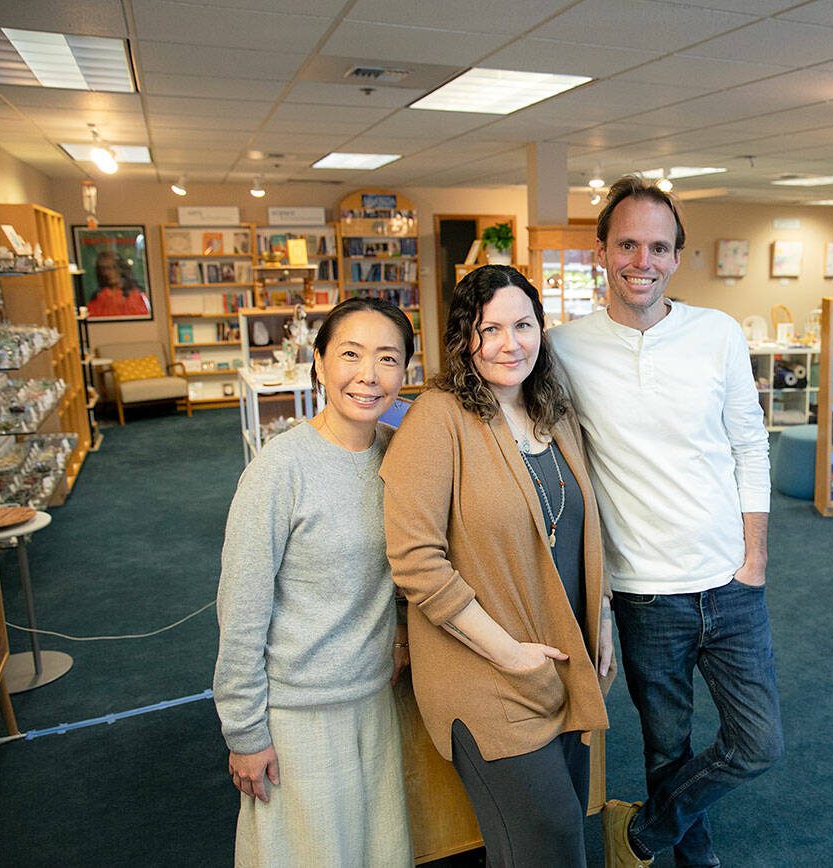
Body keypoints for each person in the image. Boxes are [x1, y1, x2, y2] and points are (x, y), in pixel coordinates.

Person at [551, 176, 784, 868]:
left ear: (677, 256)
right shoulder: (565, 349)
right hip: (646, 596)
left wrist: (755, 561)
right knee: (666, 749)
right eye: (627, 244)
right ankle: (692, 861)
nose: (641, 261)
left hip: (732, 585)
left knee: (759, 742)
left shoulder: (717, 333)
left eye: (658, 246)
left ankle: (644, 836)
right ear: (602, 251)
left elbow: (750, 445)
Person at [380, 264, 614, 868]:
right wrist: (510, 653)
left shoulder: (553, 410)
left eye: (524, 324)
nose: (511, 343)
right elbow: (415, 563)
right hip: (485, 673)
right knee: (552, 838)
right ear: (465, 338)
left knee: (547, 839)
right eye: (490, 329)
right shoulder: (437, 417)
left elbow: (585, 527)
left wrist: (603, 614)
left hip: (563, 661)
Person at [213, 297, 414, 866]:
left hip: (374, 700)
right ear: (319, 363)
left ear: (405, 373)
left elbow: (405, 569)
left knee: (379, 852)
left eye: (388, 359)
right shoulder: (279, 471)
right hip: (300, 712)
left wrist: (399, 635)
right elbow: (241, 611)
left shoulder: (398, 458)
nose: (368, 376)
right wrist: (245, 733)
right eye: (350, 354)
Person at [87, 250, 151, 317]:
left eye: (112, 267)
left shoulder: (138, 295)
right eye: (103, 269)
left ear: (121, 269)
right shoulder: (97, 298)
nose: (107, 273)